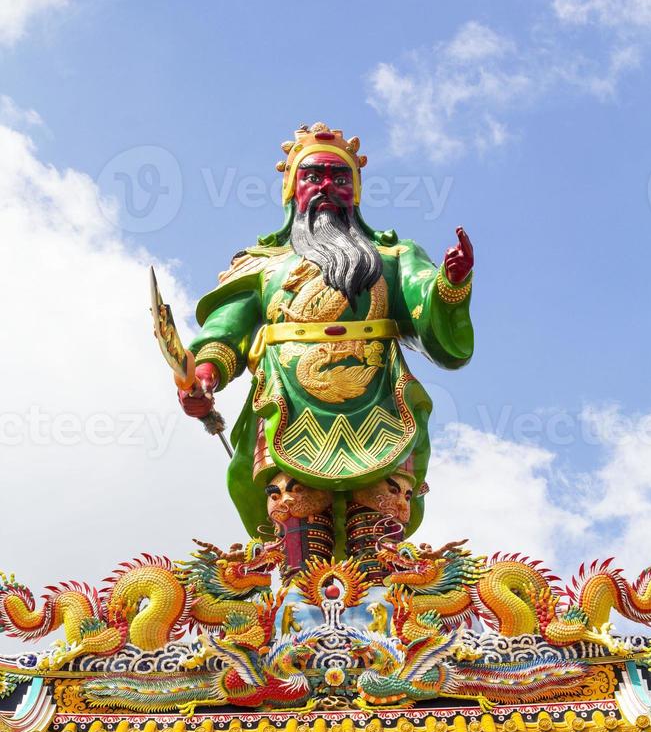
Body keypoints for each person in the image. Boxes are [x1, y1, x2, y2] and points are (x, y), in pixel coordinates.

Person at [180, 122, 474, 580]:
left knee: (379, 502)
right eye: (313, 176)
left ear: (355, 192)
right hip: (288, 400)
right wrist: (205, 374)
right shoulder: (264, 264)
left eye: (339, 179)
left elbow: (424, 305)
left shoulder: (392, 257)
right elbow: (226, 328)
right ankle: (299, 603)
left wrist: (450, 286)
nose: (326, 188)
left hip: (377, 395)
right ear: (292, 189)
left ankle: (377, 603)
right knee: (295, 503)